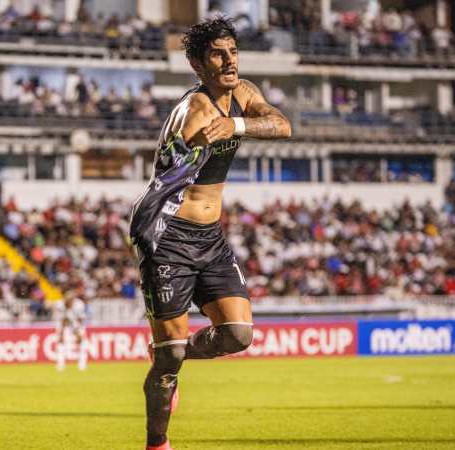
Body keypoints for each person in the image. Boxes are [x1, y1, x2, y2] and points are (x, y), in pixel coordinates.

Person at [129, 17, 291, 450]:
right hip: (169, 237)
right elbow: (165, 178)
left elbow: (282, 125)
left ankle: (170, 352)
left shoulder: (244, 94)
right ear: (198, 65)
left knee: (238, 334)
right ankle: (157, 443)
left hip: (210, 237)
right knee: (170, 359)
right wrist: (189, 149)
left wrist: (237, 126)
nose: (229, 61)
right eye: (218, 55)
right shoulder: (193, 113)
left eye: (233, 52)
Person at [53, 291, 88, 372]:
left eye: (69, 302)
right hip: (65, 324)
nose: (67, 303)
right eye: (66, 302)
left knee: (83, 343)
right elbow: (62, 320)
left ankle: (82, 365)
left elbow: (80, 320)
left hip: (77, 323)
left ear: (73, 301)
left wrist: (78, 333)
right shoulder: (60, 305)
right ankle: (60, 365)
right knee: (61, 344)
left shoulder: (79, 305)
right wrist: (61, 334)